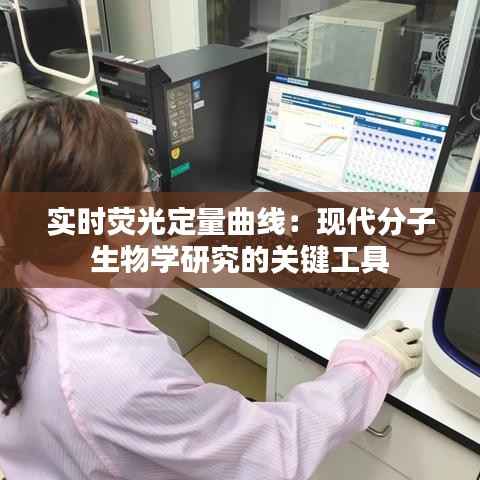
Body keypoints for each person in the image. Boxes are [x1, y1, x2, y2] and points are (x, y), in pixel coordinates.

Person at [0, 98, 422, 480]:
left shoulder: (26, 274)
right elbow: (275, 453)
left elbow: (107, 282)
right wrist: (371, 364)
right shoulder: (121, 376)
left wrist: (196, 233)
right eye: (145, 186)